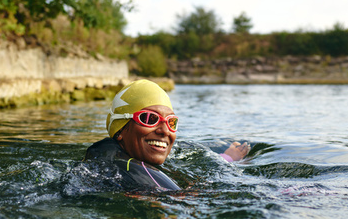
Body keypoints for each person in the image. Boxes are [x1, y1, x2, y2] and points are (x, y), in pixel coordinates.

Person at [84, 79, 249, 191]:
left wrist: (226, 159)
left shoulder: (102, 160)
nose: (164, 131)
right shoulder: (131, 171)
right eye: (149, 118)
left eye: (171, 122)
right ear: (120, 130)